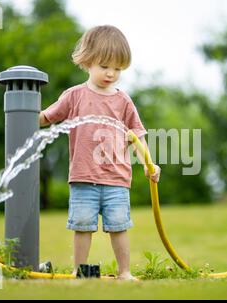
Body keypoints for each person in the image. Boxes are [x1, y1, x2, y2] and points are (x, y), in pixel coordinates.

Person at [39, 25, 160, 280]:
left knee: (119, 227)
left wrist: (150, 164)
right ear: (88, 60)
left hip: (117, 179)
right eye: (105, 66)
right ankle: (79, 271)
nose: (111, 73)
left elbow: (138, 135)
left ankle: (124, 272)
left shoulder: (123, 100)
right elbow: (46, 117)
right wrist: (22, 112)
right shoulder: (74, 96)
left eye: (118, 68)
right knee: (82, 227)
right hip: (83, 178)